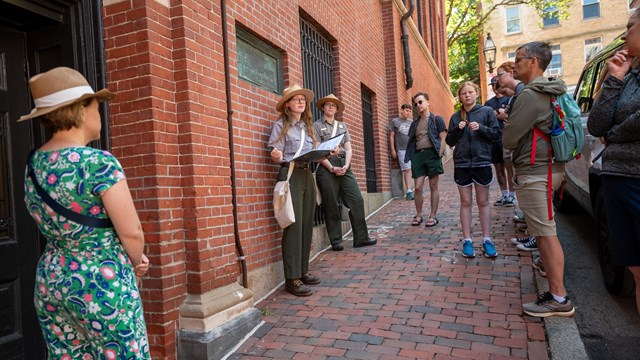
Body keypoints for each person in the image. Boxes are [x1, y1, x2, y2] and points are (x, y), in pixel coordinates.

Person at [19, 67, 150, 358]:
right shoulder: (98, 163)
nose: (99, 113)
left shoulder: (33, 165)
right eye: (96, 105)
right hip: (102, 281)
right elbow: (131, 232)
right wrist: (135, 262)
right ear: (80, 108)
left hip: (52, 280)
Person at [503, 42, 575, 317]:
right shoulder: (552, 88)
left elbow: (509, 138)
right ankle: (553, 282)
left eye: (518, 58)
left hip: (537, 172)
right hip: (550, 168)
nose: (514, 63)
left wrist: (509, 123)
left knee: (545, 234)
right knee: (546, 232)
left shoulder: (531, 95)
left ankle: (559, 298)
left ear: (533, 62)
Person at [587, 7, 640, 315]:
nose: (624, 34)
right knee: (636, 271)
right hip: (617, 179)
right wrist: (614, 80)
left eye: (629, 26)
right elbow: (595, 125)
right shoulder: (625, 74)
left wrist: (614, 134)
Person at [268, 84, 324, 297]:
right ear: (287, 104)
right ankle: (291, 278)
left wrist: (327, 152)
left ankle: (302, 270)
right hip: (290, 174)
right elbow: (276, 153)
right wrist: (276, 156)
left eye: (303, 99)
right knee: (293, 224)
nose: (301, 102)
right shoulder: (280, 126)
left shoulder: (308, 127)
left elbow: (315, 152)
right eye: (296, 99)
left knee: (306, 223)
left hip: (307, 175)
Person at [314, 94, 377, 251]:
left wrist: (346, 165)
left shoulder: (342, 126)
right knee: (331, 204)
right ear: (322, 107)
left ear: (336, 109)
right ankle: (336, 240)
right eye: (327, 104)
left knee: (356, 199)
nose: (330, 107)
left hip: (344, 165)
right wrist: (331, 167)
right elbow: (317, 150)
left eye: (334, 105)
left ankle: (361, 238)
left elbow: (348, 148)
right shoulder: (315, 126)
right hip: (327, 166)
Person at [446, 82, 501, 258]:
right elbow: (449, 141)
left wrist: (481, 128)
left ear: (476, 94)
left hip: (482, 162)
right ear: (460, 97)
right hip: (462, 164)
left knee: (483, 202)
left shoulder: (486, 112)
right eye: (463, 93)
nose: (467, 95)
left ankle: (487, 240)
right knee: (466, 202)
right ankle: (467, 241)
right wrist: (457, 129)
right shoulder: (456, 117)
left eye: (470, 92)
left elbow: (496, 134)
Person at [496, 61, 538, 252]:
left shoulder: (525, 93)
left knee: (541, 213)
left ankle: (536, 239)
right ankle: (532, 233)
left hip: (531, 157)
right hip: (524, 155)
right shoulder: (520, 94)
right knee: (531, 202)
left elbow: (516, 129)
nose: (498, 79)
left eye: (500, 75)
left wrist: (506, 120)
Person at [404, 92, 447, 227]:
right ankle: (418, 214)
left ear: (428, 102)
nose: (418, 105)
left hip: (432, 154)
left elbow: (443, 138)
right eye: (416, 104)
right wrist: (411, 156)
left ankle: (433, 216)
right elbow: (411, 141)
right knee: (417, 187)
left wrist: (439, 154)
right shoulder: (415, 123)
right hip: (418, 155)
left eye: (420, 102)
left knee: (433, 185)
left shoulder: (436, 119)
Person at [484, 77, 513, 207]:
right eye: (493, 84)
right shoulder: (489, 103)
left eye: (496, 84)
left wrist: (497, 114)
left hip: (507, 137)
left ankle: (512, 195)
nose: (495, 87)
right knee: (499, 168)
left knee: (510, 168)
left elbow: (507, 115)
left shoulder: (509, 99)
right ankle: (504, 194)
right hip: (494, 139)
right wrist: (498, 112)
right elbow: (486, 118)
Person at [389, 104, 415, 200]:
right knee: (407, 170)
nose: (408, 113)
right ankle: (409, 191)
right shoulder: (395, 121)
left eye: (409, 111)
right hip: (402, 150)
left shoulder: (411, 122)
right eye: (407, 110)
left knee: (415, 168)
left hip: (413, 149)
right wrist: (392, 149)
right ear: (402, 110)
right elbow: (391, 136)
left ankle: (417, 189)